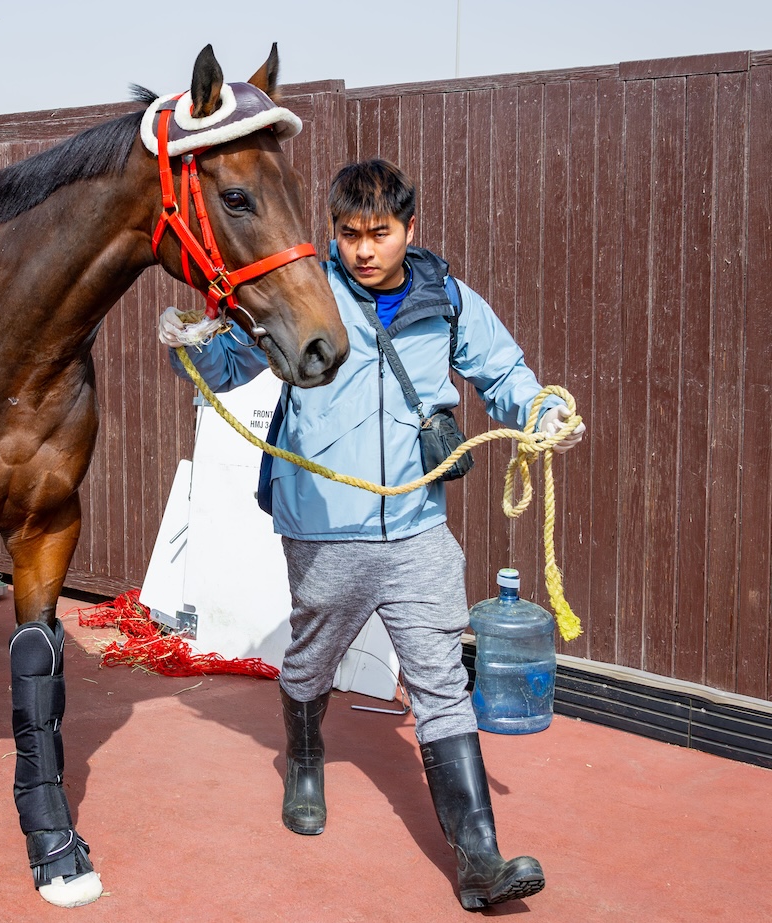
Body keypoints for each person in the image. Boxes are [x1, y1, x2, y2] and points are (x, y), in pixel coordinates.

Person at [159, 158, 584, 911]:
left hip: (419, 527)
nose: (363, 249)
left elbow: (504, 374)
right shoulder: (304, 291)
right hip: (323, 526)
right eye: (349, 234)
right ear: (332, 232)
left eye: (379, 234)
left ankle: (479, 859)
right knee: (312, 659)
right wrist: (190, 338)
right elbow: (226, 366)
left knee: (442, 684)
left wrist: (541, 412)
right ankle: (305, 757)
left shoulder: (446, 299)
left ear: (408, 230)